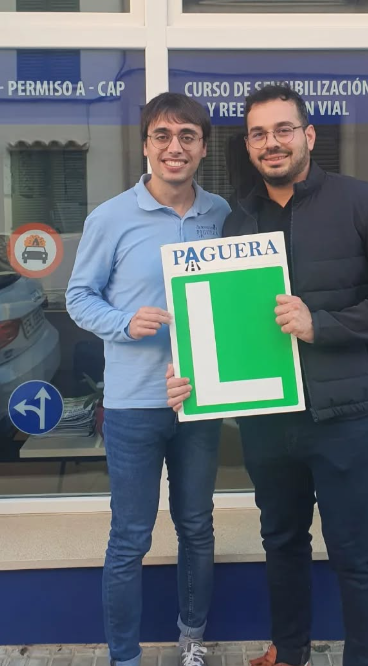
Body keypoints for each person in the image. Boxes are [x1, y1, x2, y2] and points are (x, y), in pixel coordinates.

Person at [167, 85, 368, 666]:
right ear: (249, 145)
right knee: (281, 544)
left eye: (283, 129)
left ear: (308, 136)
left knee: (353, 552)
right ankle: (289, 653)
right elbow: (229, 322)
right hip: (268, 418)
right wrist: (196, 372)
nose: (272, 143)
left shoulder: (364, 203)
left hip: (344, 417)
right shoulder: (239, 221)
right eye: (259, 133)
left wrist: (323, 325)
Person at [66, 92, 231, 666]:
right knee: (130, 539)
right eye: (162, 135)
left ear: (203, 146)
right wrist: (124, 322)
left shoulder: (221, 215)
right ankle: (123, 658)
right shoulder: (110, 217)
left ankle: (192, 641)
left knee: (197, 529)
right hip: (135, 404)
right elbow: (78, 298)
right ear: (145, 145)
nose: (174, 147)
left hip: (200, 403)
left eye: (187, 136)